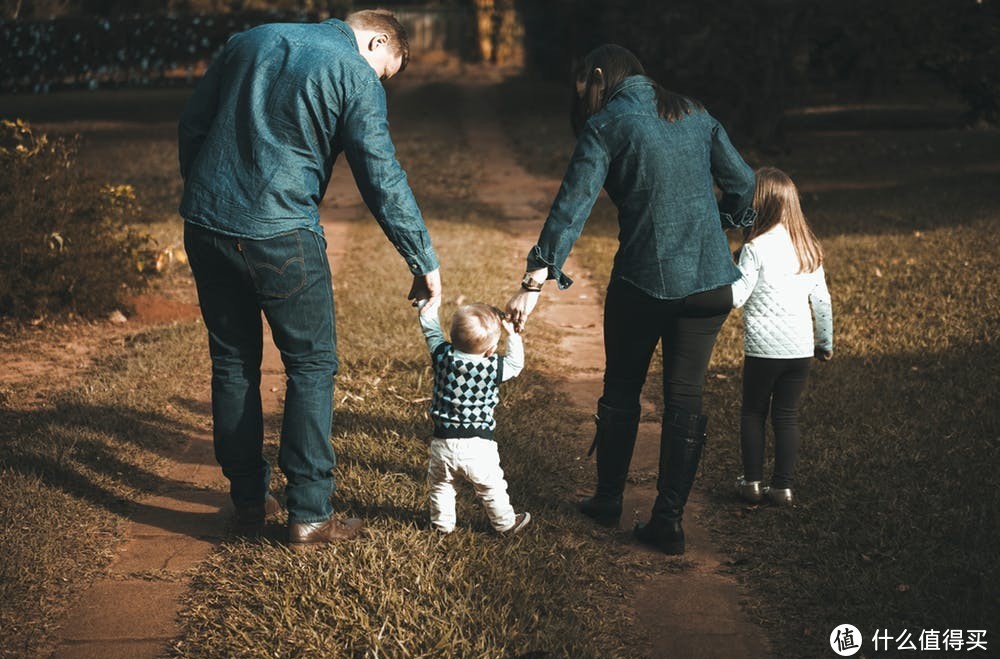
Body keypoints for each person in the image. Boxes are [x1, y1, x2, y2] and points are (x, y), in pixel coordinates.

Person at [178, 9, 442, 547]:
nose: (379, 83)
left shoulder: (248, 40)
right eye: (385, 71)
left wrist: (208, 196)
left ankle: (249, 501)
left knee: (233, 361)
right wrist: (422, 259)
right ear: (377, 40)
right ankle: (311, 512)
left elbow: (193, 124)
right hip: (281, 234)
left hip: (206, 225)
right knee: (312, 365)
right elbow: (381, 177)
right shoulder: (354, 73)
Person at [505, 44, 756, 555]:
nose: (587, 101)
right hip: (710, 286)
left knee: (622, 389)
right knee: (685, 398)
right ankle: (668, 522)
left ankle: (607, 500)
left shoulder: (608, 124)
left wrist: (532, 285)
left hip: (643, 284)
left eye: (587, 90)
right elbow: (746, 185)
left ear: (600, 77)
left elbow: (569, 210)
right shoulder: (695, 111)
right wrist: (721, 224)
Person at [731, 167, 833, 506]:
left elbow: (737, 297)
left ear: (758, 205)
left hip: (763, 351)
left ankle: (752, 484)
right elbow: (821, 301)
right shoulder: (807, 249)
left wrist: (722, 275)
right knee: (787, 415)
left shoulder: (755, 248)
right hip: (800, 350)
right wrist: (824, 342)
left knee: (753, 413)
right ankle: (783, 488)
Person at [417, 301, 531, 534]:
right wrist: (512, 335)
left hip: (443, 443)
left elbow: (430, 330)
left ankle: (441, 525)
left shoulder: (442, 356)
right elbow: (515, 364)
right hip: (478, 445)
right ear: (490, 350)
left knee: (441, 486)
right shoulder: (493, 367)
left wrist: (426, 303)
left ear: (452, 337)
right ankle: (505, 523)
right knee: (491, 487)